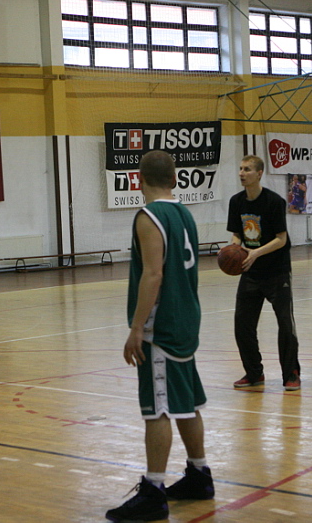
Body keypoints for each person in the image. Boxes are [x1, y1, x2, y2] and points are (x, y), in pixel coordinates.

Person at [106, 150, 214, 523]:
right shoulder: (185, 214)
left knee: (159, 408)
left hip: (161, 325)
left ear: (139, 180)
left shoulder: (148, 216)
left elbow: (153, 274)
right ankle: (199, 474)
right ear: (175, 179)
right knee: (187, 401)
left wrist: (137, 328)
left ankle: (153, 491)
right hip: (187, 317)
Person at [226, 155, 301, 391]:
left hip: (277, 271)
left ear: (259, 174)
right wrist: (233, 250)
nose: (241, 173)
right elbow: (237, 234)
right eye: (240, 168)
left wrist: (255, 253)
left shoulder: (274, 202)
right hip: (251, 272)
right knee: (242, 325)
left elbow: (281, 239)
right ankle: (254, 373)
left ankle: (291, 373)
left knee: (285, 325)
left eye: (247, 169)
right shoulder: (236, 202)